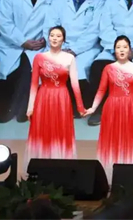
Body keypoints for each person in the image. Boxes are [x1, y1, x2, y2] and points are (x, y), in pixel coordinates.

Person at [0, 0, 59, 123]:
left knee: (29, 67)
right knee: (12, 71)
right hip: (12, 43)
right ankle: (11, 108)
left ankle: (21, 108)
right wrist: (23, 41)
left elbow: (54, 22)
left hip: (39, 44)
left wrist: (46, 39)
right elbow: (4, 23)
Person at [84, 36, 133, 179]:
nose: (121, 50)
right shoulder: (109, 68)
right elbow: (101, 90)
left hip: (130, 107)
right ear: (114, 51)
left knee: (129, 139)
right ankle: (109, 173)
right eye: (118, 47)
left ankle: (130, 172)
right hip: (112, 107)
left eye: (124, 47)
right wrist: (93, 108)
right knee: (112, 139)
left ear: (129, 50)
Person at [44, 0, 104, 113]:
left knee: (79, 67)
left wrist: (74, 50)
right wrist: (60, 47)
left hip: (87, 47)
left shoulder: (98, 2)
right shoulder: (59, 2)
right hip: (61, 46)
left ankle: (78, 105)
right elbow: (51, 25)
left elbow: (94, 30)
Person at [24, 26, 86, 165]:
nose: (54, 38)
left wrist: (80, 107)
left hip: (62, 97)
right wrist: (30, 107)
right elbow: (34, 84)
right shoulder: (39, 57)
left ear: (63, 39)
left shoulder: (69, 58)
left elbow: (75, 84)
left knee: (61, 131)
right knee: (42, 131)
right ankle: (40, 165)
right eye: (52, 35)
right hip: (43, 97)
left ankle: (61, 165)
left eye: (58, 36)